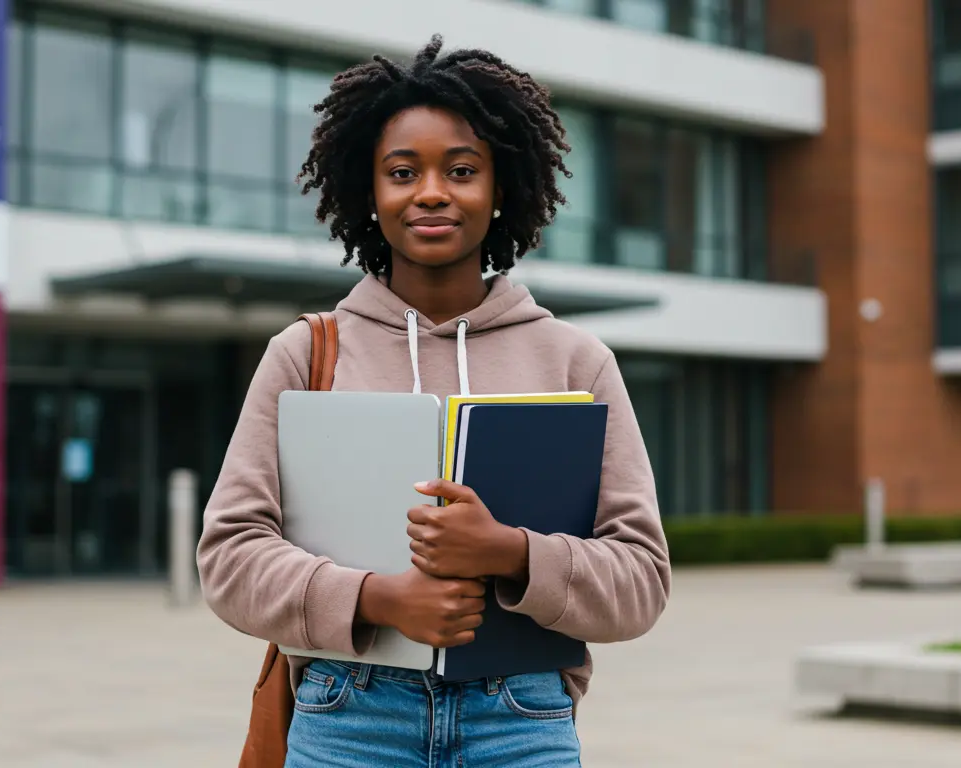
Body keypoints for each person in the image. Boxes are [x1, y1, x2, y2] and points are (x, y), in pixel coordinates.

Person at [197, 34, 671, 767]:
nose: (430, 192)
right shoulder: (306, 353)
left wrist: (512, 553)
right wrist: (376, 599)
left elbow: (641, 580)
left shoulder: (575, 363)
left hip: (522, 717)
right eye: (401, 171)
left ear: (501, 188)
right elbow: (229, 557)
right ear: (369, 192)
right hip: (348, 714)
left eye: (461, 170)